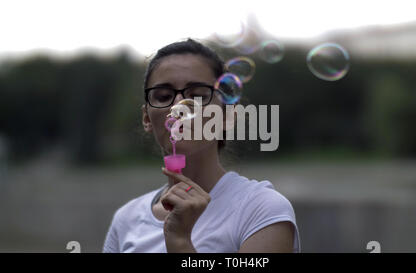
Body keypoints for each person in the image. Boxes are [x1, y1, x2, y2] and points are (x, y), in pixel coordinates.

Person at [103, 38, 300, 253]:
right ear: (147, 118)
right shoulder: (126, 220)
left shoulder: (260, 209)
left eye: (197, 95)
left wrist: (179, 241)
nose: (179, 107)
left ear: (226, 115)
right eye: (163, 96)